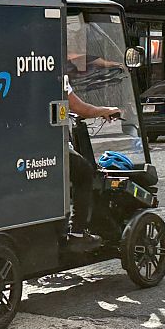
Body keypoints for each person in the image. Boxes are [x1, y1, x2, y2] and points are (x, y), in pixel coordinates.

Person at [65, 75, 120, 251]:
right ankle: (77, 233)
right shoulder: (55, 69)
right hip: (51, 146)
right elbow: (80, 108)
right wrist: (105, 110)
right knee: (85, 173)